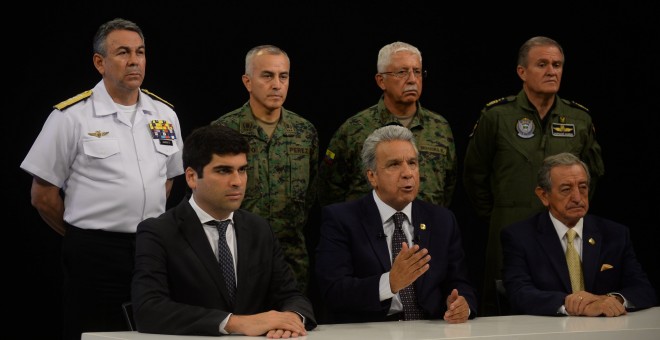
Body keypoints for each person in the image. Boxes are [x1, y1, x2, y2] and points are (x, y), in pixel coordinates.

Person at [19, 18, 183, 340]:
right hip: (95, 252)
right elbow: (42, 194)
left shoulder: (165, 115)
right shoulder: (71, 116)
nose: (135, 61)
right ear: (100, 62)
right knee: (94, 331)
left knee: (152, 330)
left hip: (152, 248)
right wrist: (79, 235)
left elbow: (169, 177)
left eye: (140, 52)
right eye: (123, 52)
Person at [463, 36, 605, 315]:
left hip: (564, 234)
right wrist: (499, 215)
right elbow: (474, 174)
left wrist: (571, 212)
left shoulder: (579, 119)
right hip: (508, 228)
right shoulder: (497, 116)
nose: (552, 71)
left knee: (568, 308)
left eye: (557, 64)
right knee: (505, 310)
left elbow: (593, 175)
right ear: (522, 72)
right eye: (542, 64)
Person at [131, 124, 317, 337]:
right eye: (223, 171)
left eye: (242, 170)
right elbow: (149, 310)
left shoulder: (259, 229)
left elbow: (292, 296)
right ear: (191, 177)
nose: (237, 182)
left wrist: (292, 317)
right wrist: (235, 323)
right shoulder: (158, 232)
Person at [315, 125, 476, 324]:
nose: (407, 173)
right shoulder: (341, 219)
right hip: (371, 332)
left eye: (412, 163)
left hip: (432, 332)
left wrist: (463, 305)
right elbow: (333, 291)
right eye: (394, 165)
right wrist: (389, 283)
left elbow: (460, 282)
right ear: (372, 176)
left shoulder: (442, 220)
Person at [211, 45, 318, 292]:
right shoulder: (223, 130)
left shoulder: (304, 132)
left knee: (292, 325)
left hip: (291, 257)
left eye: (284, 76)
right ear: (248, 82)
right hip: (238, 252)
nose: (277, 84)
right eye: (267, 76)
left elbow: (312, 194)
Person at [501, 152, 656, 316]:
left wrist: (611, 300)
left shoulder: (615, 233)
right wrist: (576, 305)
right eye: (566, 189)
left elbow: (643, 289)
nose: (577, 198)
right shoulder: (520, 237)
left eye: (583, 187)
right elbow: (519, 293)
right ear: (544, 195)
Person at [317, 41, 456, 208]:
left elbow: (449, 185)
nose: (412, 79)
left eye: (417, 72)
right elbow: (329, 188)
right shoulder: (355, 128)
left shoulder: (439, 127)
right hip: (367, 230)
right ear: (381, 81)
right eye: (402, 72)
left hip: (424, 229)